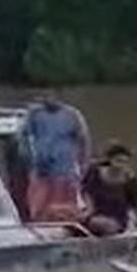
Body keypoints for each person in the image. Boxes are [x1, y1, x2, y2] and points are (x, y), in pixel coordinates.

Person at [20, 89, 91, 223]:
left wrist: (83, 164)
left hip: (65, 167)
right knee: (38, 202)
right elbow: (23, 136)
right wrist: (28, 158)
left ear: (60, 98)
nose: (49, 99)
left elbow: (83, 140)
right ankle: (38, 223)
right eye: (46, 96)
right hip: (41, 167)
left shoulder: (73, 115)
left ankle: (66, 224)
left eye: (53, 96)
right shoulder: (35, 114)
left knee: (66, 203)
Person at [81, 142, 137, 236]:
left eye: (125, 163)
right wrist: (89, 208)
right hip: (94, 213)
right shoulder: (95, 173)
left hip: (116, 219)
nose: (121, 166)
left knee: (99, 224)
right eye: (118, 161)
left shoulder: (129, 180)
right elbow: (86, 191)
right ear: (110, 160)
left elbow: (136, 205)